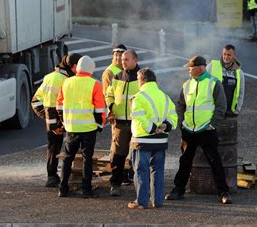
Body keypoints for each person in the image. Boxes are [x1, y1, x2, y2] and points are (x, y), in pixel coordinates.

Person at [165, 55, 232, 205]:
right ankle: (178, 189)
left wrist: (212, 124)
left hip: (206, 129)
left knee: (215, 160)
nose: (188, 70)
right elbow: (180, 104)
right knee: (185, 160)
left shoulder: (214, 83)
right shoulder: (187, 84)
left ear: (201, 68)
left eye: (190, 67)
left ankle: (223, 191)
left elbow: (221, 106)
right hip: (189, 129)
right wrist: (182, 121)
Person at [128, 68, 177, 209]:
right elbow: (173, 116)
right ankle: (157, 201)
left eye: (138, 79)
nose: (137, 82)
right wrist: (165, 126)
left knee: (141, 171)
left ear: (142, 79)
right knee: (158, 171)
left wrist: (151, 128)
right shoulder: (165, 97)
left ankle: (141, 201)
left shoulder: (139, 97)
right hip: (161, 140)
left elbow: (139, 116)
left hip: (143, 140)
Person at [56, 56, 105, 198]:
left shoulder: (66, 83)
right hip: (88, 128)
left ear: (77, 68)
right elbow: (100, 109)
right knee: (87, 159)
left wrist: (64, 121)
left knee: (67, 158)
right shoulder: (94, 84)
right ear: (91, 69)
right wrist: (100, 124)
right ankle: (86, 189)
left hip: (71, 127)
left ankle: (63, 188)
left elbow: (59, 105)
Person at [31, 53, 82, 188]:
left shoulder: (64, 76)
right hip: (52, 115)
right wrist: (55, 126)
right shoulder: (58, 79)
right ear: (73, 66)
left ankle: (66, 173)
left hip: (58, 115)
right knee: (54, 146)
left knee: (66, 145)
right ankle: (52, 176)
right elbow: (50, 106)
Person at [105, 49, 140, 196]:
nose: (122, 62)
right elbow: (109, 94)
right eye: (121, 59)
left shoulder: (142, 78)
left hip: (137, 123)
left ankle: (141, 185)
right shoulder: (117, 77)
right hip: (120, 123)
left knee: (139, 155)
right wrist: (112, 106)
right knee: (118, 155)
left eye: (126, 59)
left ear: (135, 60)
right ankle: (115, 184)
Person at [206, 44, 245, 116]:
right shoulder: (212, 66)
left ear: (234, 56)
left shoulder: (239, 73)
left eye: (229, 55)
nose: (226, 57)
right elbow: (203, 86)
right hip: (213, 111)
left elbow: (241, 93)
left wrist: (237, 109)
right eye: (224, 54)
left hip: (230, 111)